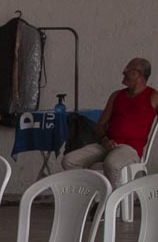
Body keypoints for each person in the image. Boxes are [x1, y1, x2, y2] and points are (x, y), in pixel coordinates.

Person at [62, 57, 158, 186]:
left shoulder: (153, 96)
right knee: (69, 160)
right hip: (106, 145)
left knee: (112, 164)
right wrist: (104, 140)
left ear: (137, 74)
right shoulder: (116, 95)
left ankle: (113, 199)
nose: (123, 72)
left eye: (127, 69)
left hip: (129, 148)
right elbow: (100, 125)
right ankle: (92, 193)